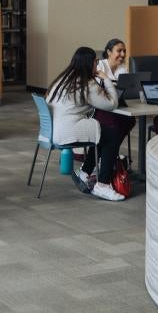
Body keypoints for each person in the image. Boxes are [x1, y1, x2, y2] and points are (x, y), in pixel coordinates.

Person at [47, 47, 125, 202]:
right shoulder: (87, 83)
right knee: (112, 135)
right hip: (70, 130)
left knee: (103, 134)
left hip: (55, 129)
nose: (97, 66)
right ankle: (102, 185)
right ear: (89, 64)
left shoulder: (64, 78)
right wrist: (106, 79)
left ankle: (85, 172)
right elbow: (112, 104)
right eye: (95, 63)